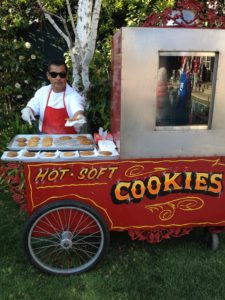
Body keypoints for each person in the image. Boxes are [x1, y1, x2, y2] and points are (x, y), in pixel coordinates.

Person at [21, 59, 86, 134]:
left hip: (69, 141)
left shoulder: (73, 95)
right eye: (54, 74)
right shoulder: (42, 92)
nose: (58, 78)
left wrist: (79, 118)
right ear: (48, 76)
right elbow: (32, 108)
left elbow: (78, 110)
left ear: (67, 76)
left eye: (62, 74)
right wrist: (28, 111)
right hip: (44, 140)